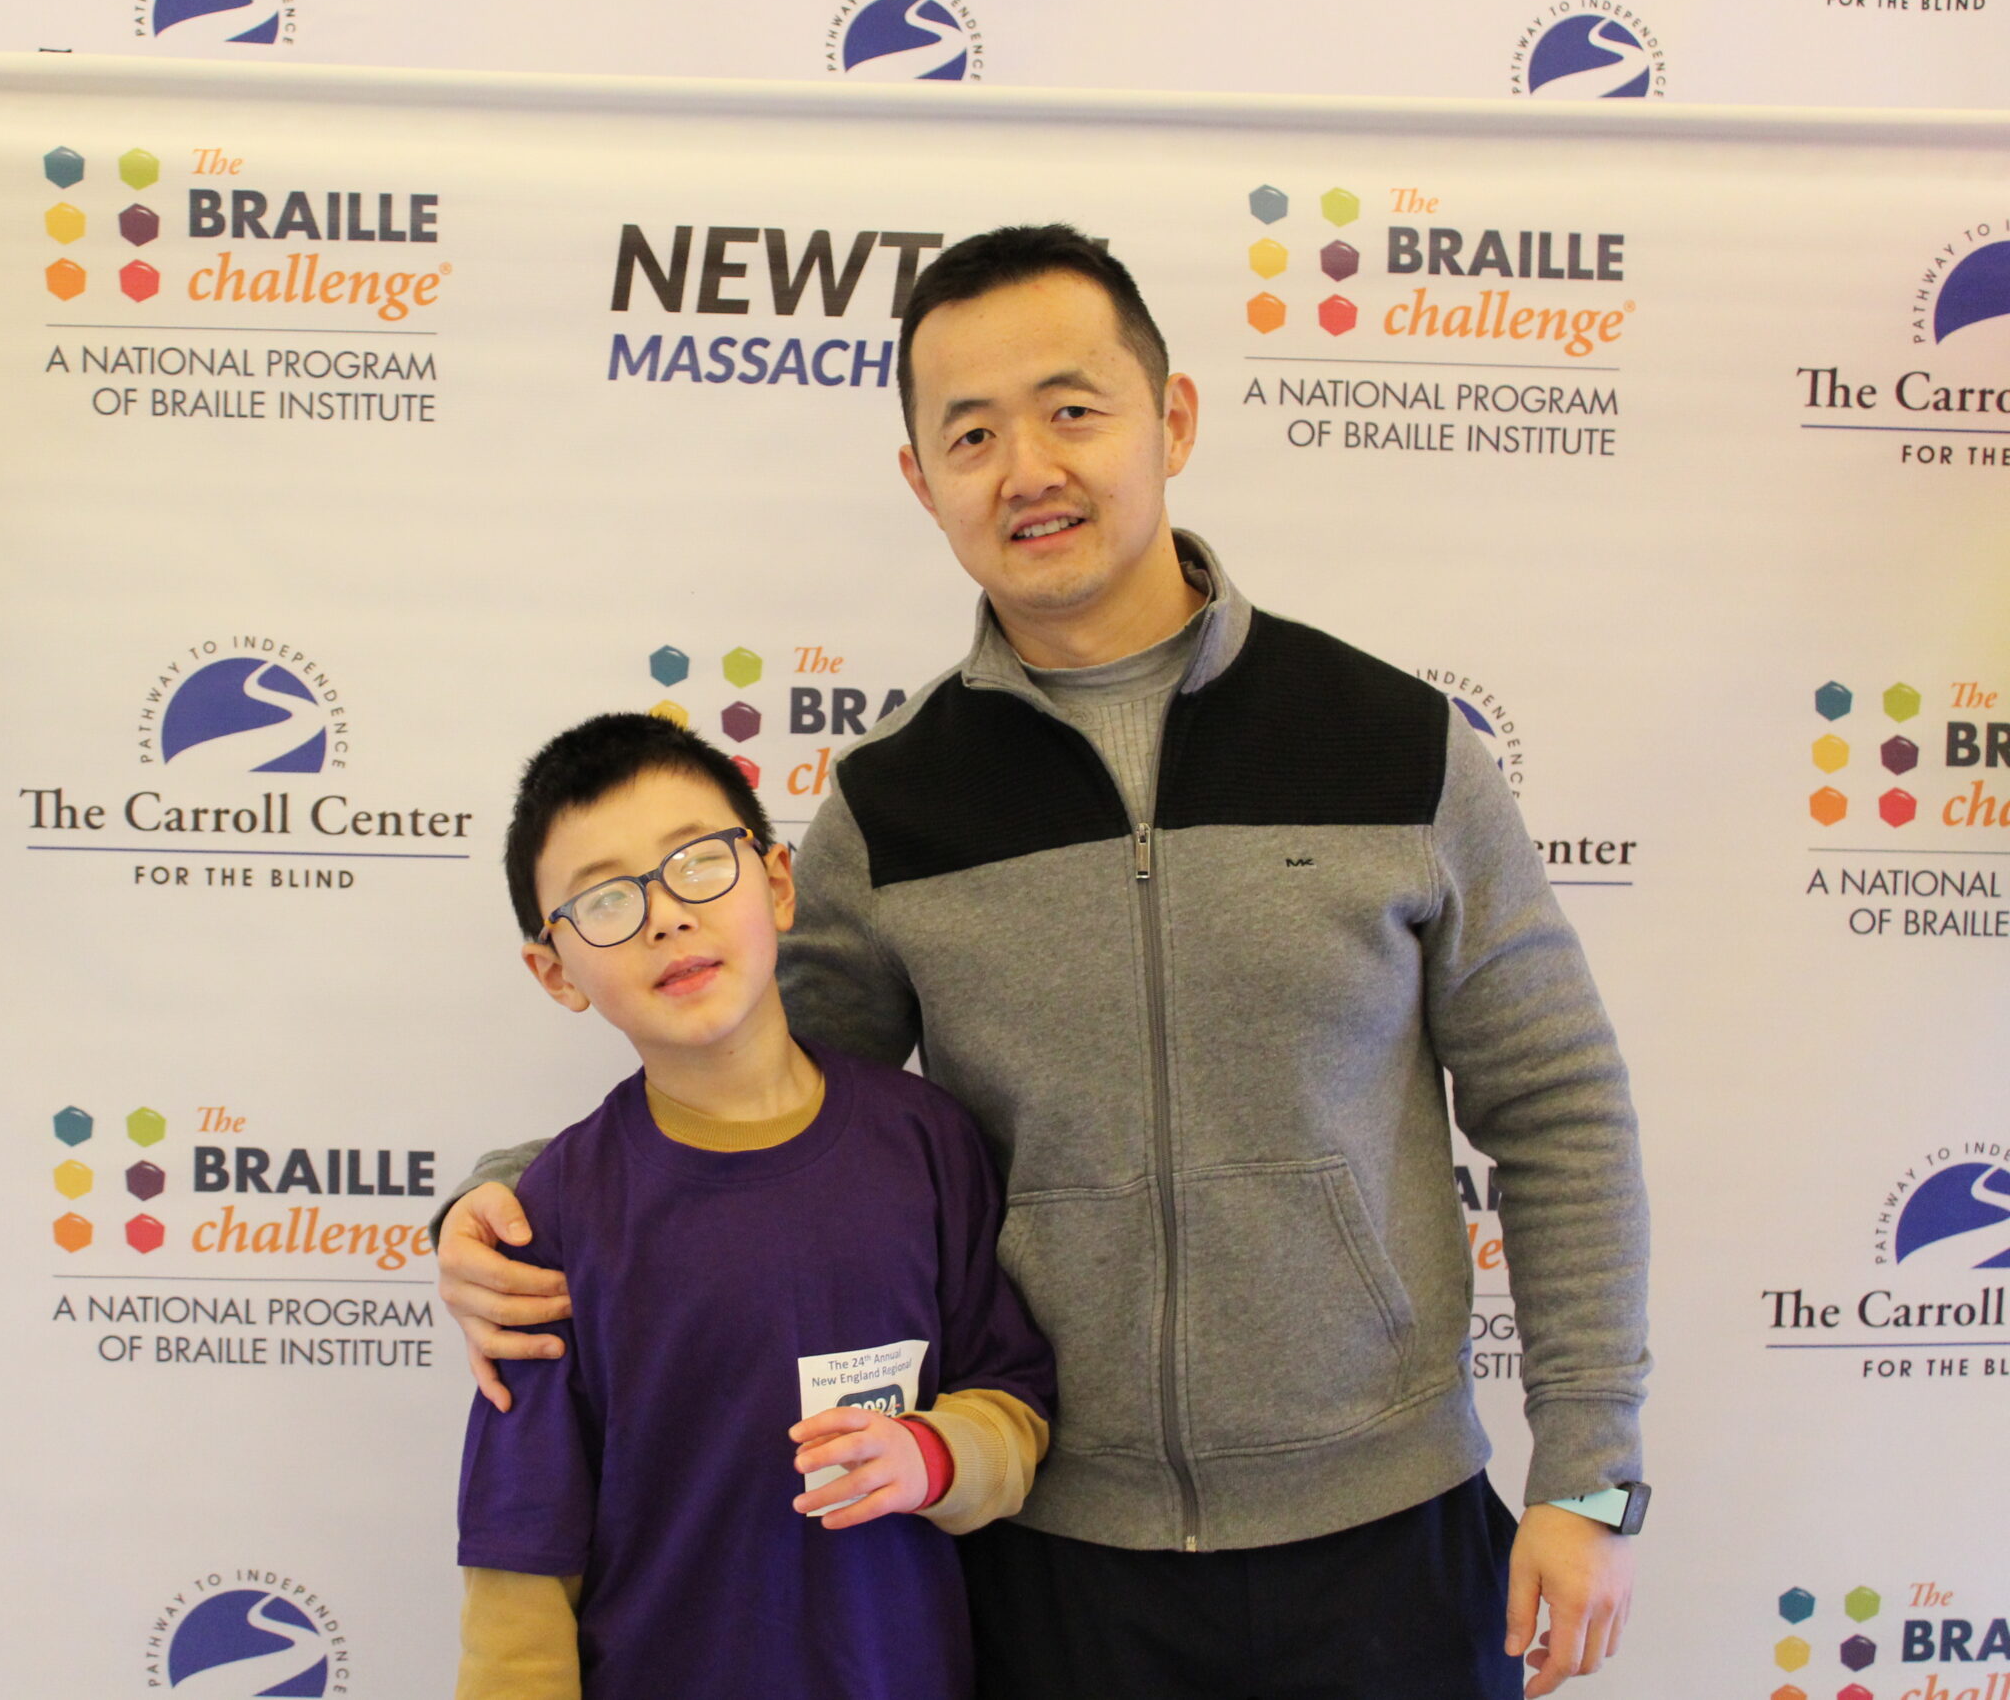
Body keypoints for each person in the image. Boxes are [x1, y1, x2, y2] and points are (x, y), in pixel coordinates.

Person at [441, 225, 1650, 1700]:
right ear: (920, 481)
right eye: (972, 434)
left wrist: (1587, 1473)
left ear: (1173, 419)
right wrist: (515, 1202)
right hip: (1051, 1565)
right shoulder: (895, 806)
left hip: (1390, 1536)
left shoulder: (1397, 746)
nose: (1028, 468)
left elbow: (1559, 1104)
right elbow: (750, 1077)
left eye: (1074, 409)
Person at [455, 712, 1056, 1700]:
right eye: (605, 899)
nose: (665, 917)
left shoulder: (925, 1144)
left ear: (777, 884)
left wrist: (935, 1455)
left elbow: (1012, 1398)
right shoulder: (552, 1216)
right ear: (555, 970)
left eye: (697, 862)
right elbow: (519, 1556)